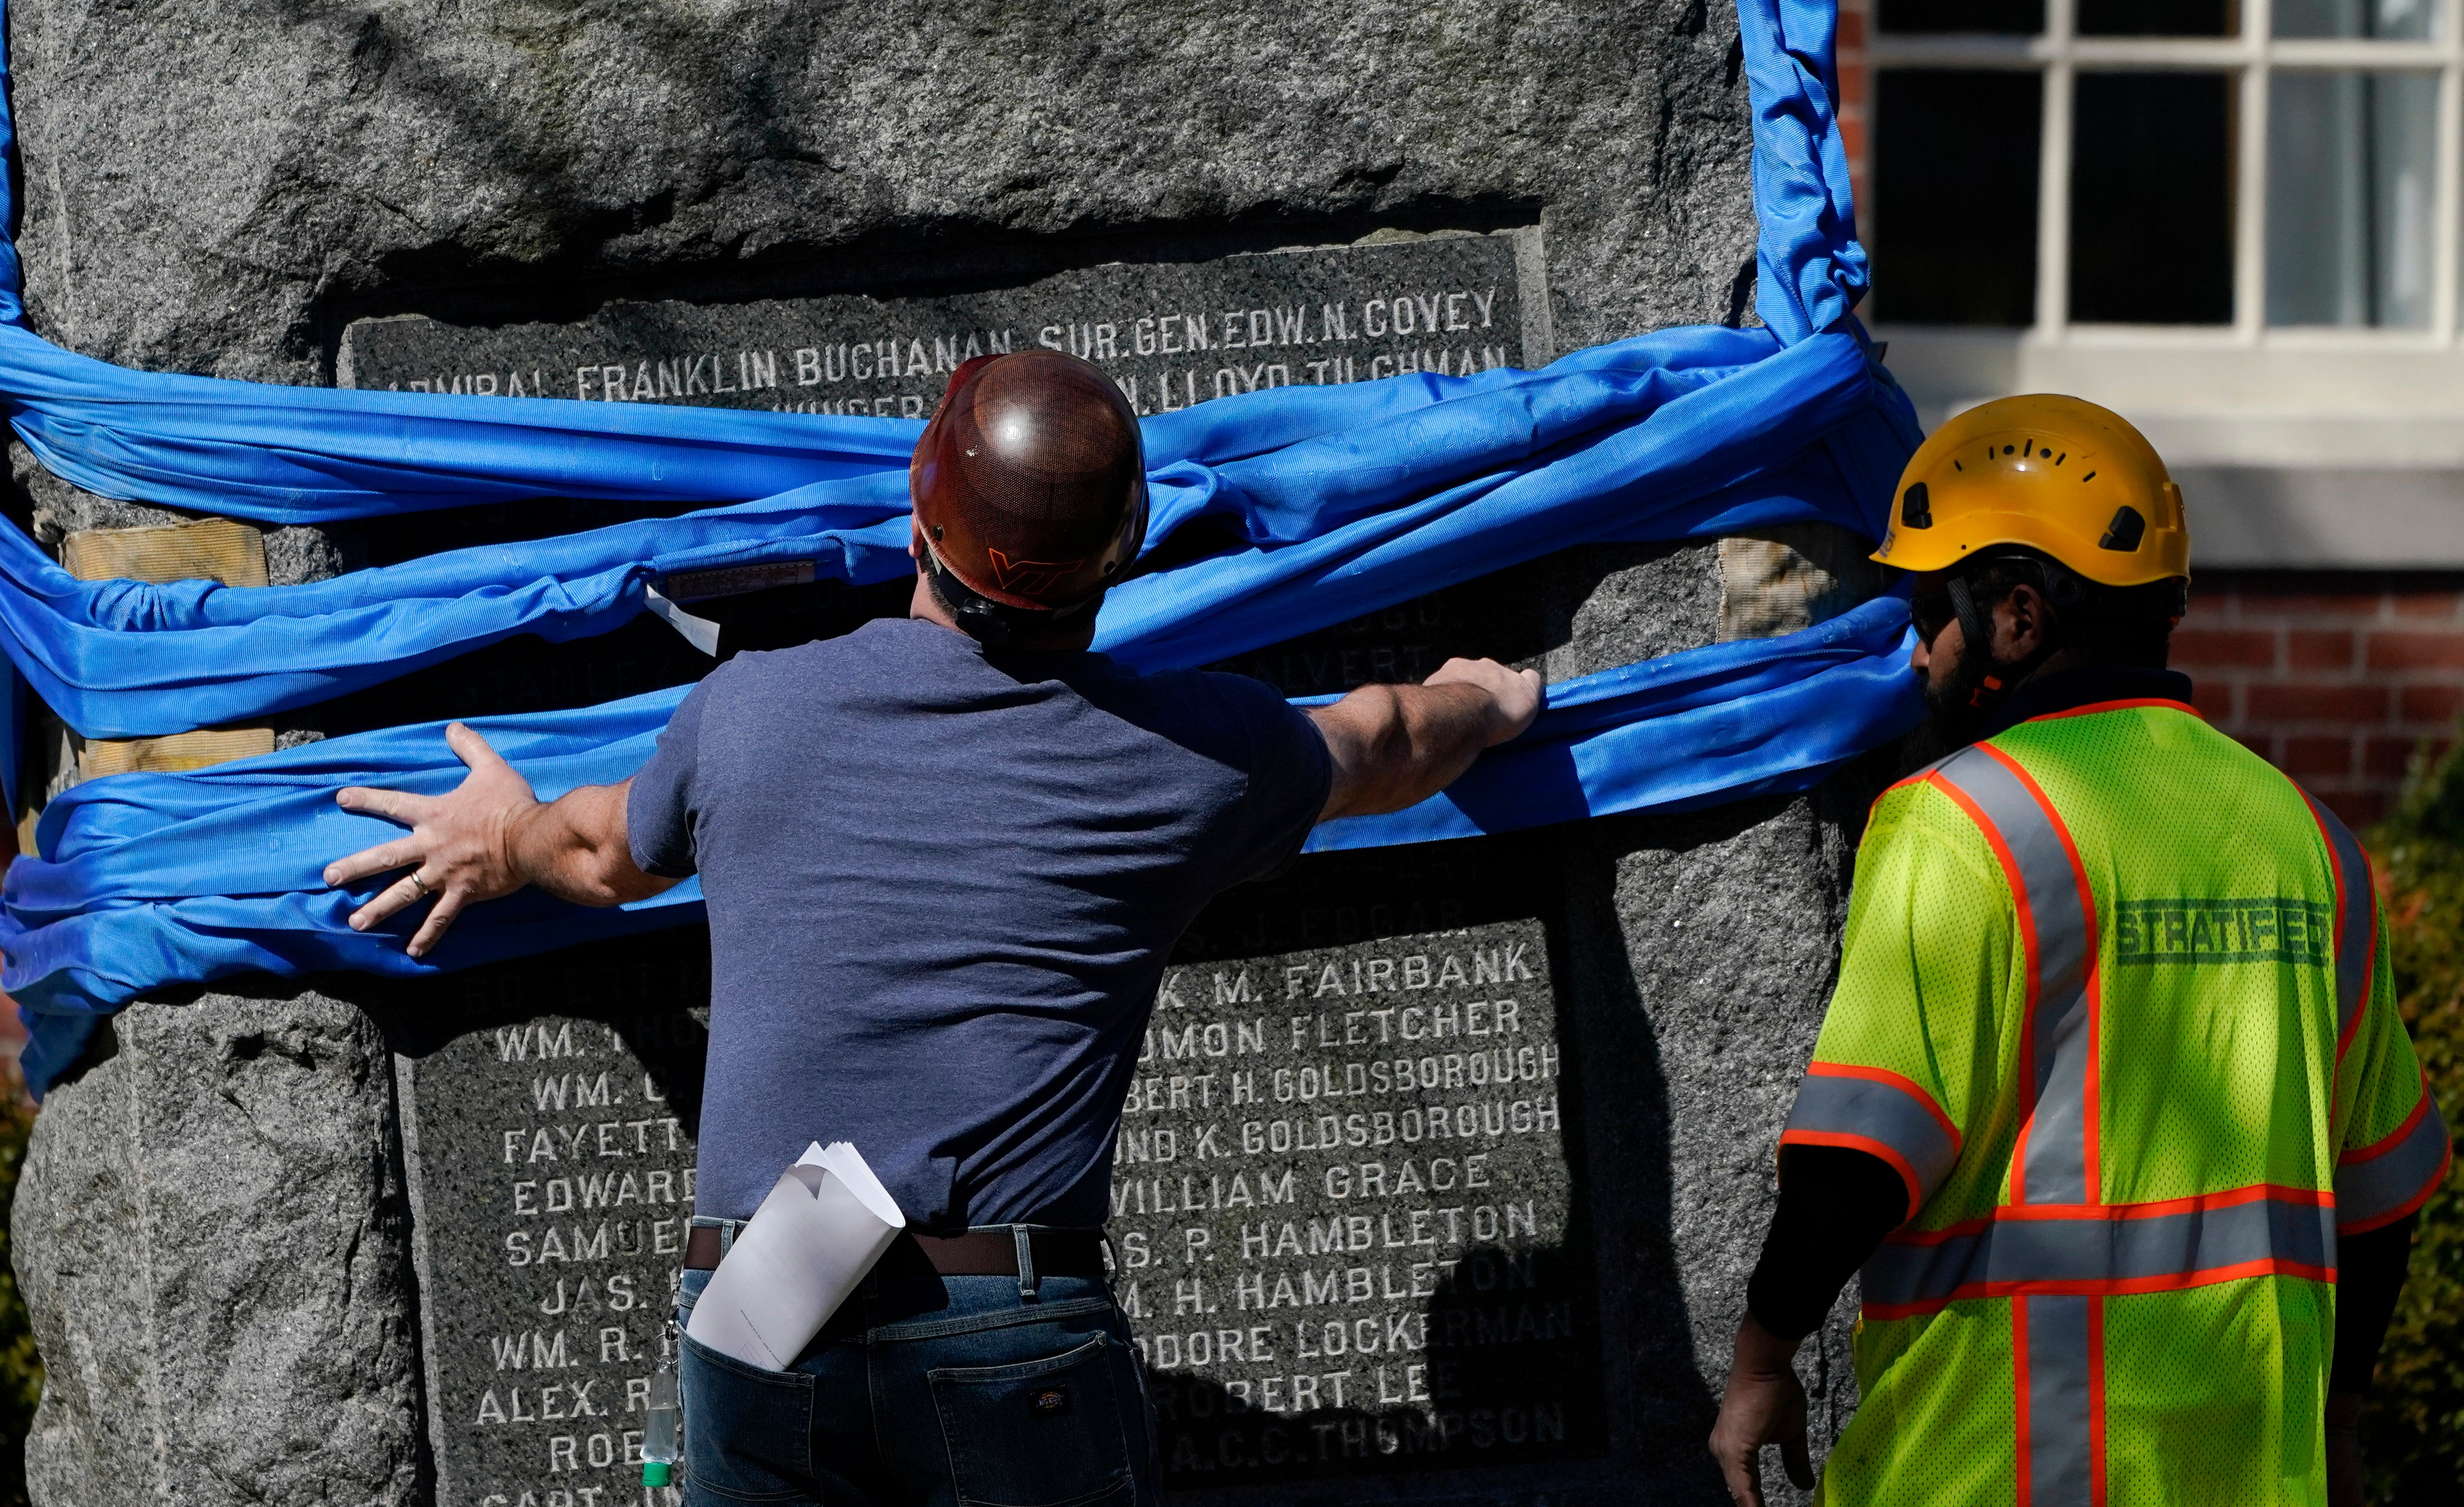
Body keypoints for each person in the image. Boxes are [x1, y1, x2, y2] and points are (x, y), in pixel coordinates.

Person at [322, 349, 1542, 1507]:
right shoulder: (1194, 758)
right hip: (1005, 1318)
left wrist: (499, 838)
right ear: (1124, 549)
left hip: (763, 1299)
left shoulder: (750, 709)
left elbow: (596, 854)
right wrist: (1482, 703)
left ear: (918, 515)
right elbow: (1383, 739)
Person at [1708, 394, 2450, 1507]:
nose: (1919, 651)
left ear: (2017, 617)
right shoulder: (2312, 841)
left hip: (1996, 1470)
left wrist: (1764, 1357)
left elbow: (1856, 1164)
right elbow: (2383, 1194)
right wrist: (2339, 1435)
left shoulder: (1961, 823)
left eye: (1932, 607)